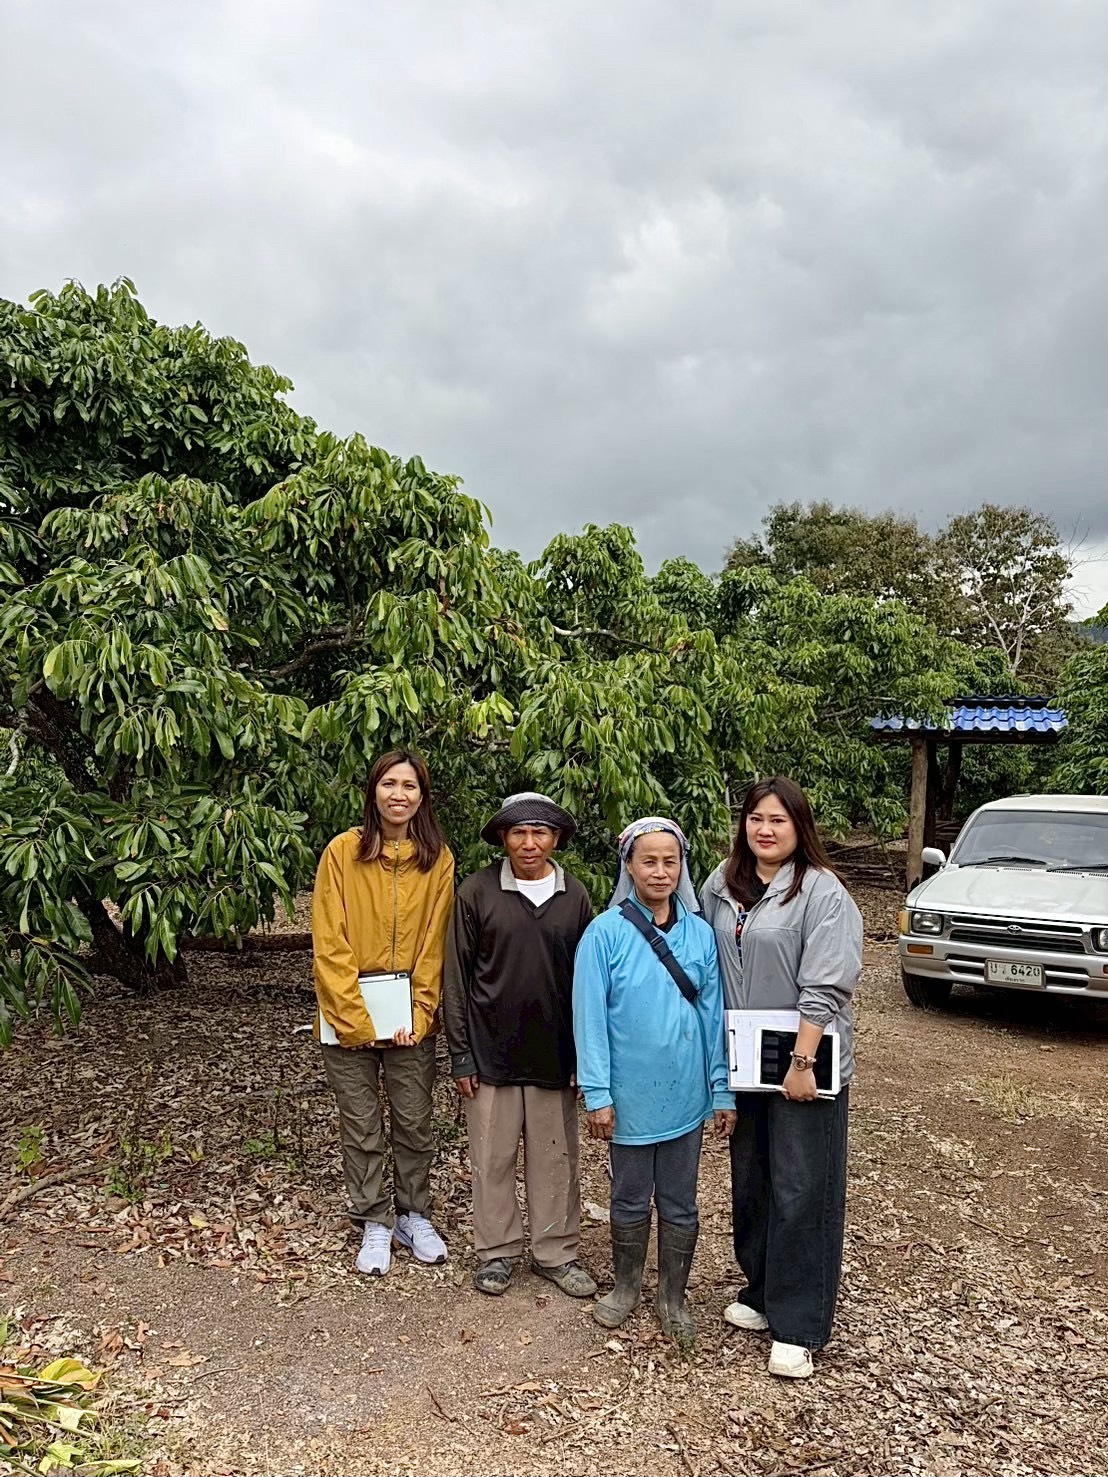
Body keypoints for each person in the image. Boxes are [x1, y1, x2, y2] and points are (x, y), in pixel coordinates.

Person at [700, 776, 862, 1379]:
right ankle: (762, 1292)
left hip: (802, 1059)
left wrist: (801, 1063)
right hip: (745, 1059)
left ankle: (800, 1322)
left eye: (778, 821)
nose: (764, 830)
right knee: (755, 1179)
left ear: (800, 829)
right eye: (755, 819)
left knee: (803, 1187)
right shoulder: (725, 883)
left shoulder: (821, 892)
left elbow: (826, 983)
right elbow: (679, 917)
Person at [573, 817, 736, 1346]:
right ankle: (624, 1288)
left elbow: (713, 1016)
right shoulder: (605, 934)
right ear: (629, 866)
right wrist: (597, 1093)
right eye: (649, 861)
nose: (660, 871)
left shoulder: (700, 935)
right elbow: (589, 1019)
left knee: (681, 1200)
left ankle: (672, 1296)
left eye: (671, 861)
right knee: (628, 1196)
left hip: (685, 1096)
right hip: (629, 1099)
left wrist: (721, 1089)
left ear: (682, 866)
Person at [443, 792, 596, 1299]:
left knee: (556, 1158)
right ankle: (498, 1253)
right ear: (504, 838)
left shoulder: (574, 895)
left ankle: (556, 1253)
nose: (529, 844)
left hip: (555, 1051)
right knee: (493, 1157)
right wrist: (461, 1052)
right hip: (490, 1053)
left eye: (540, 833)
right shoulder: (477, 892)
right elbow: (456, 977)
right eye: (518, 833)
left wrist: (584, 1058)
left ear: (556, 839)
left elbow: (588, 982)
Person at [312, 749, 455, 1277]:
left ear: (422, 797)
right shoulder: (343, 852)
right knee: (362, 1123)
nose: (400, 794)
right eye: (390, 784)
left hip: (407, 1019)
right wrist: (354, 1021)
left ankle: (413, 1213)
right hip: (346, 1015)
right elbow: (330, 941)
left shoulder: (436, 859)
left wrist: (419, 1014)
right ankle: (374, 1218)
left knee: (415, 1120)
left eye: (410, 786)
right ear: (373, 791)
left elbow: (435, 943)